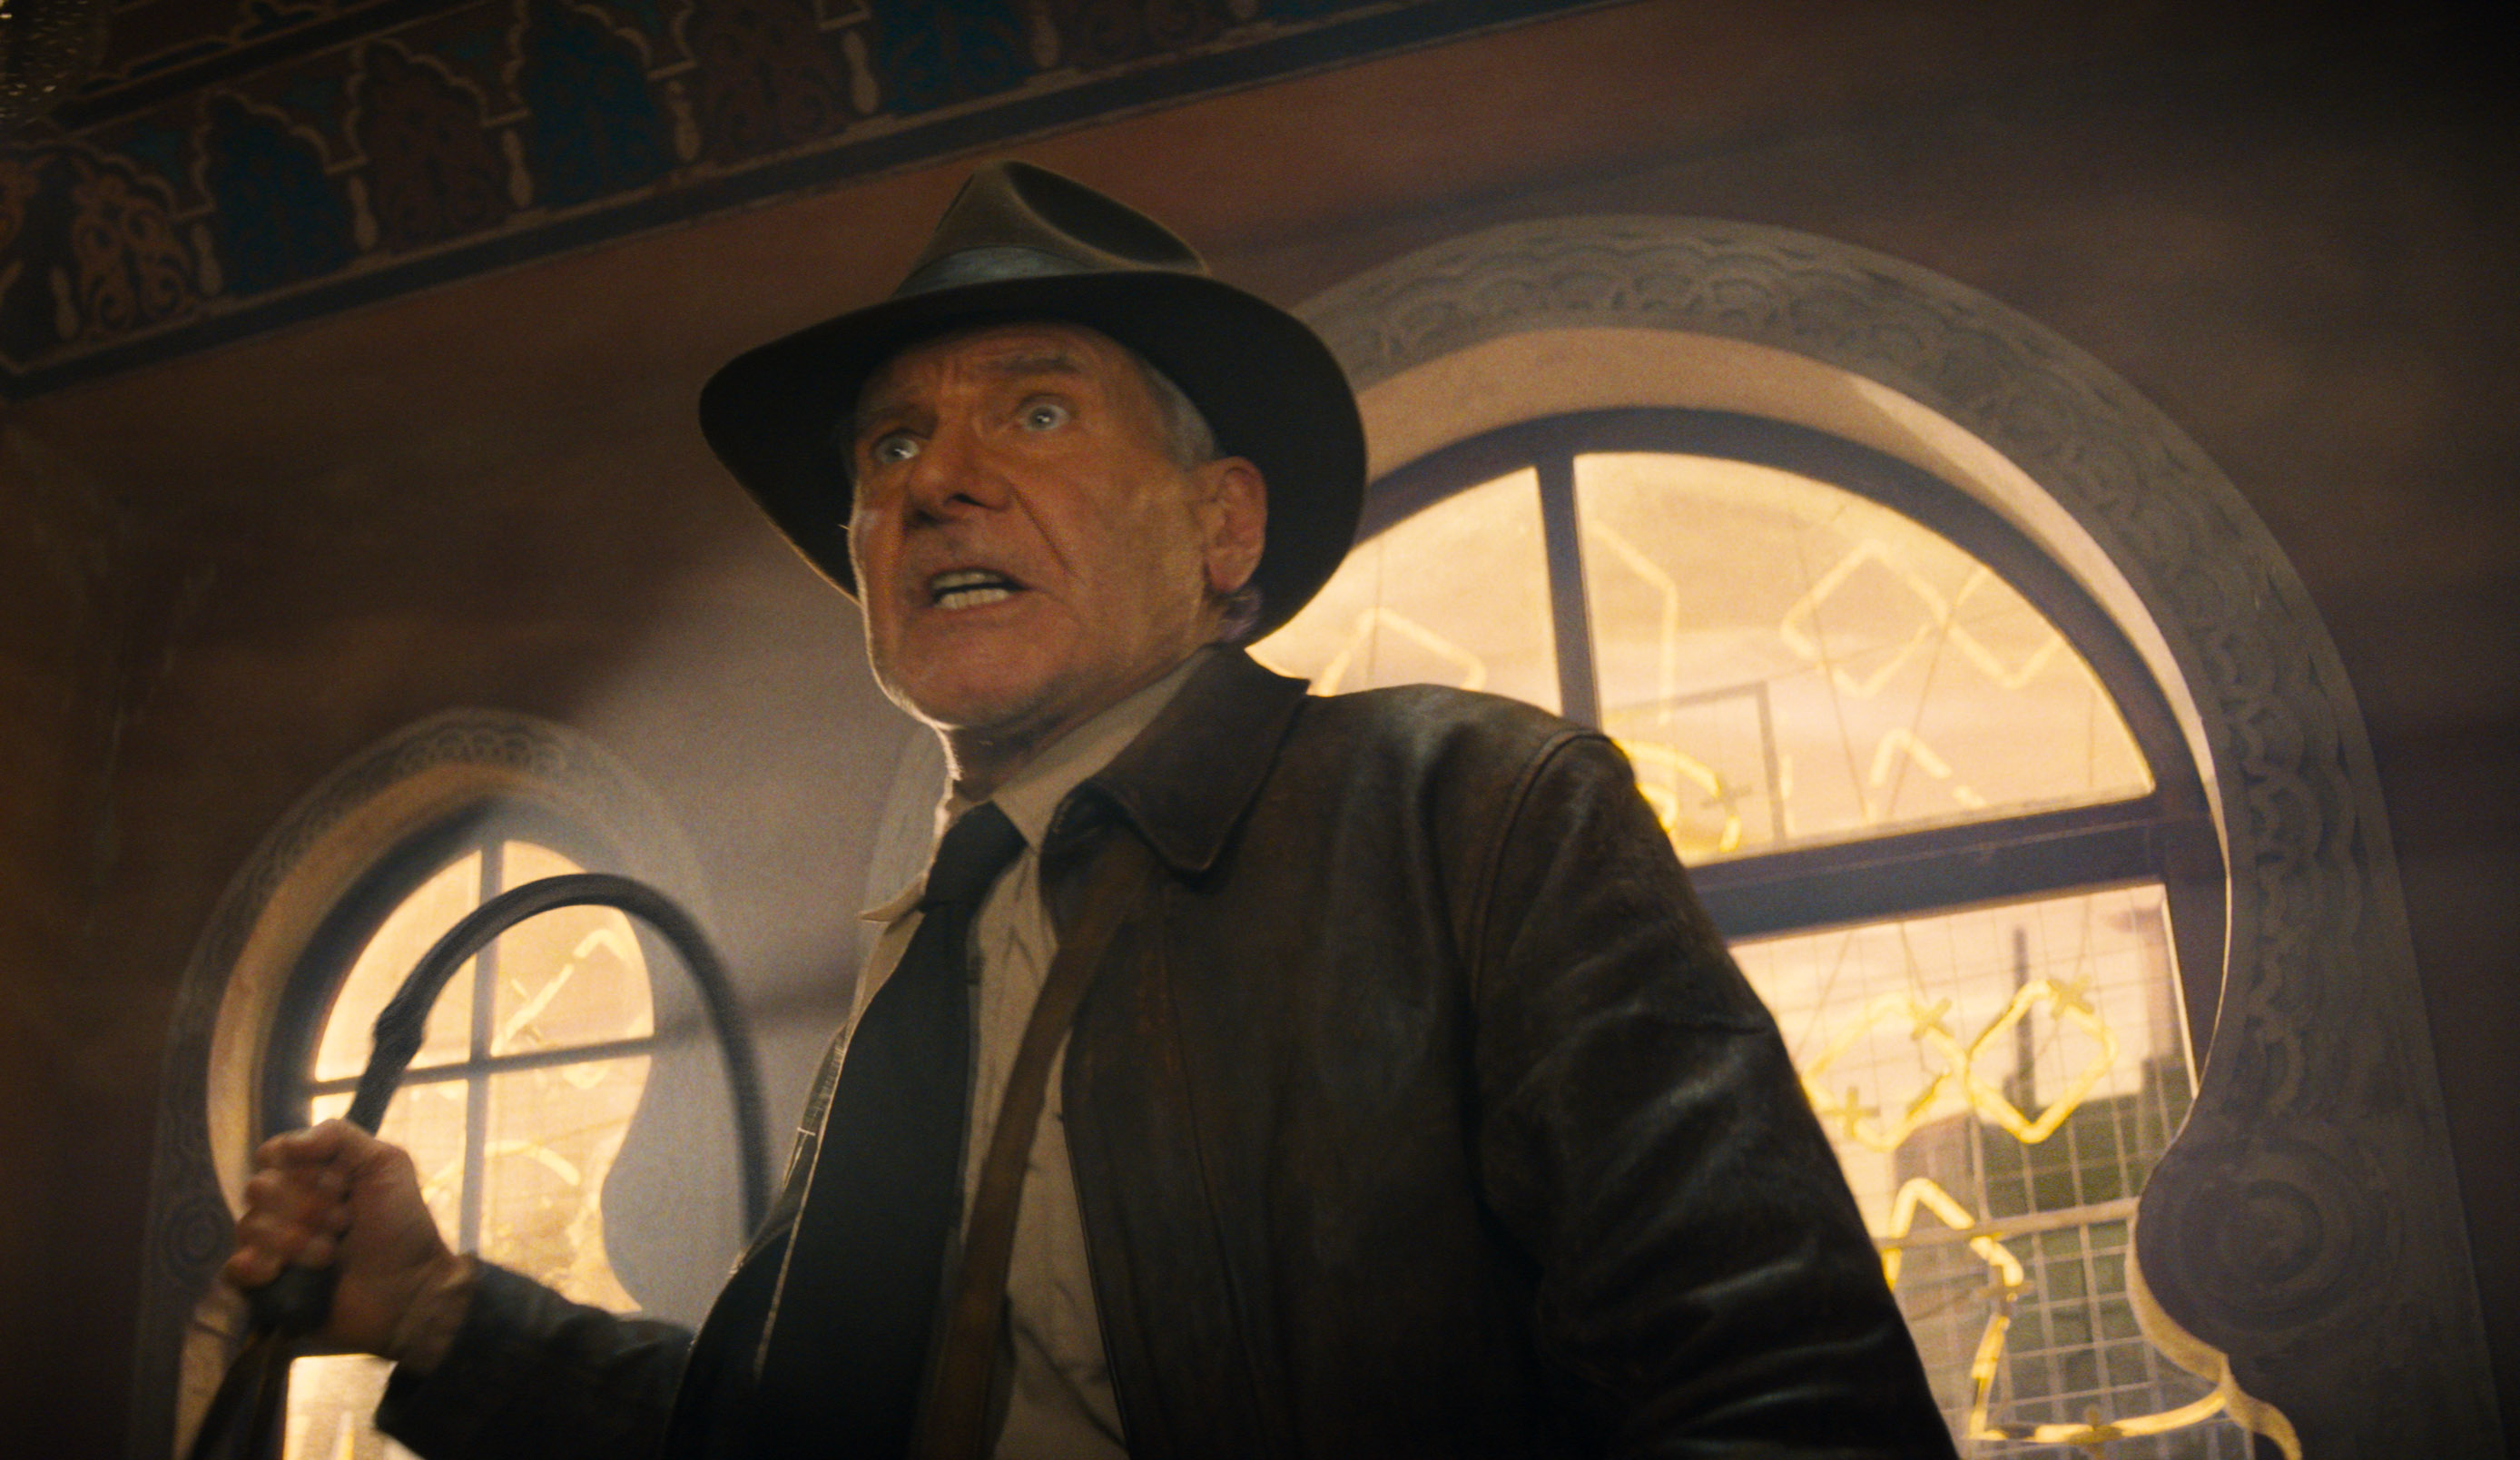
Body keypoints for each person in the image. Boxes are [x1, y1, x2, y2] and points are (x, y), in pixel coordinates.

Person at [220, 162, 1955, 1459]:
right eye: (889, 450)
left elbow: (1785, 1395)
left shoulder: (1470, 816)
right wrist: (432, 1311)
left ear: (1220, 526)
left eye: (1037, 411)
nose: (939, 481)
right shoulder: (930, 964)